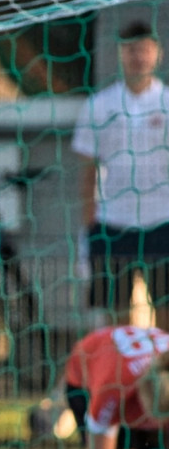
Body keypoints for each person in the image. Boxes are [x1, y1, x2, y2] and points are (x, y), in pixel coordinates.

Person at [72, 21, 169, 331]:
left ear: (158, 54)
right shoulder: (99, 105)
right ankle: (120, 380)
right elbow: (87, 171)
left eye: (144, 49)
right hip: (113, 223)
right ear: (120, 54)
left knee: (165, 315)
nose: (138, 56)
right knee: (115, 321)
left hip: (162, 221)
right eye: (131, 50)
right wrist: (89, 228)